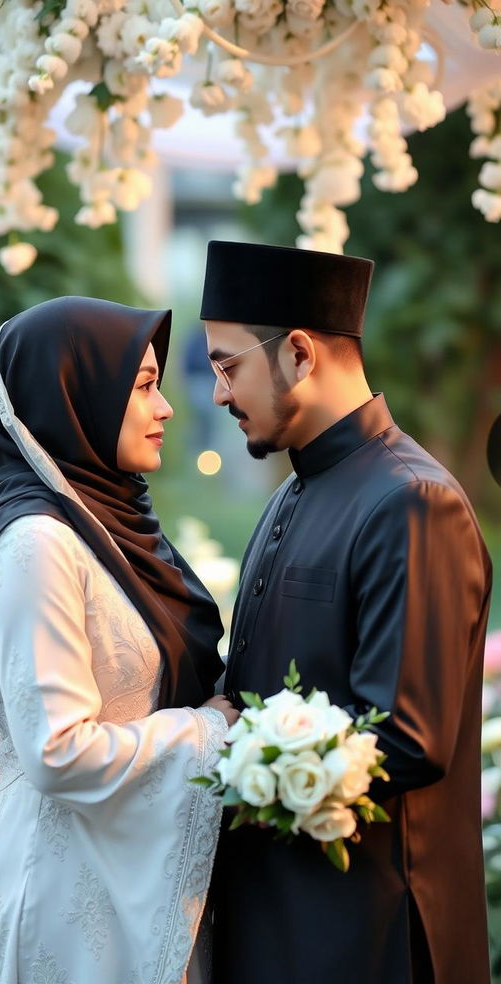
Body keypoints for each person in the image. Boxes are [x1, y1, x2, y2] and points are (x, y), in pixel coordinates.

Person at [0, 296, 238, 984]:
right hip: (62, 900)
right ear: (76, 394)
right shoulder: (36, 542)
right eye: (146, 386)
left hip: (135, 873)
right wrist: (211, 731)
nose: (167, 410)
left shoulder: (105, 524)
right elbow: (57, 751)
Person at [199, 241, 492, 984]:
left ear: (298, 353)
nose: (218, 394)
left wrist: (217, 744)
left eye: (228, 365)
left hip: (366, 941)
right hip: (277, 928)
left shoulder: (411, 502)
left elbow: (407, 739)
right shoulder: (287, 496)